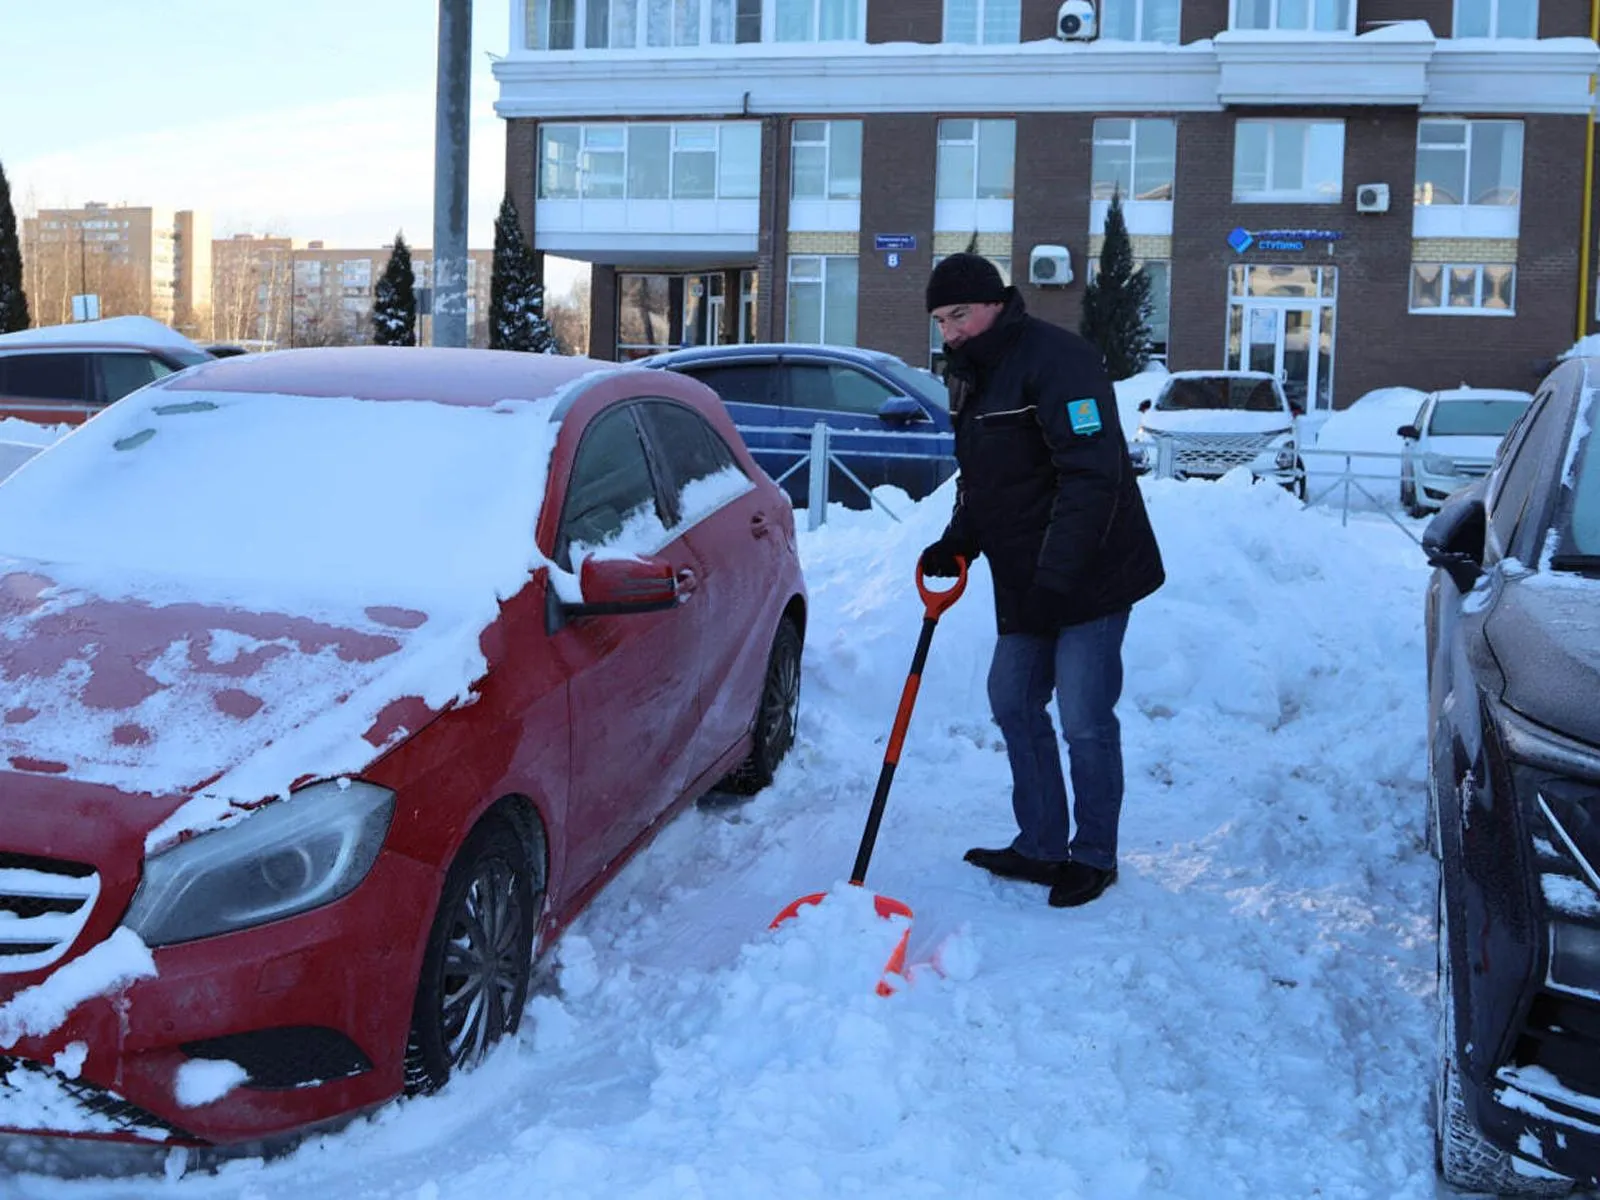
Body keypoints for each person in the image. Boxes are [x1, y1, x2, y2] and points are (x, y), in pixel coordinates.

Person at [920, 253, 1164, 908]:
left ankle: (1095, 855)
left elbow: (1092, 477)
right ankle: (1040, 844)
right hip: (1029, 576)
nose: (950, 331)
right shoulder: (971, 373)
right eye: (940, 320)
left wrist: (1057, 579)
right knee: (1012, 699)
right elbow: (986, 479)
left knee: (1084, 716)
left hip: (1093, 570)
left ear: (996, 303)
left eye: (959, 315)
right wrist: (960, 537)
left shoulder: (1061, 361)